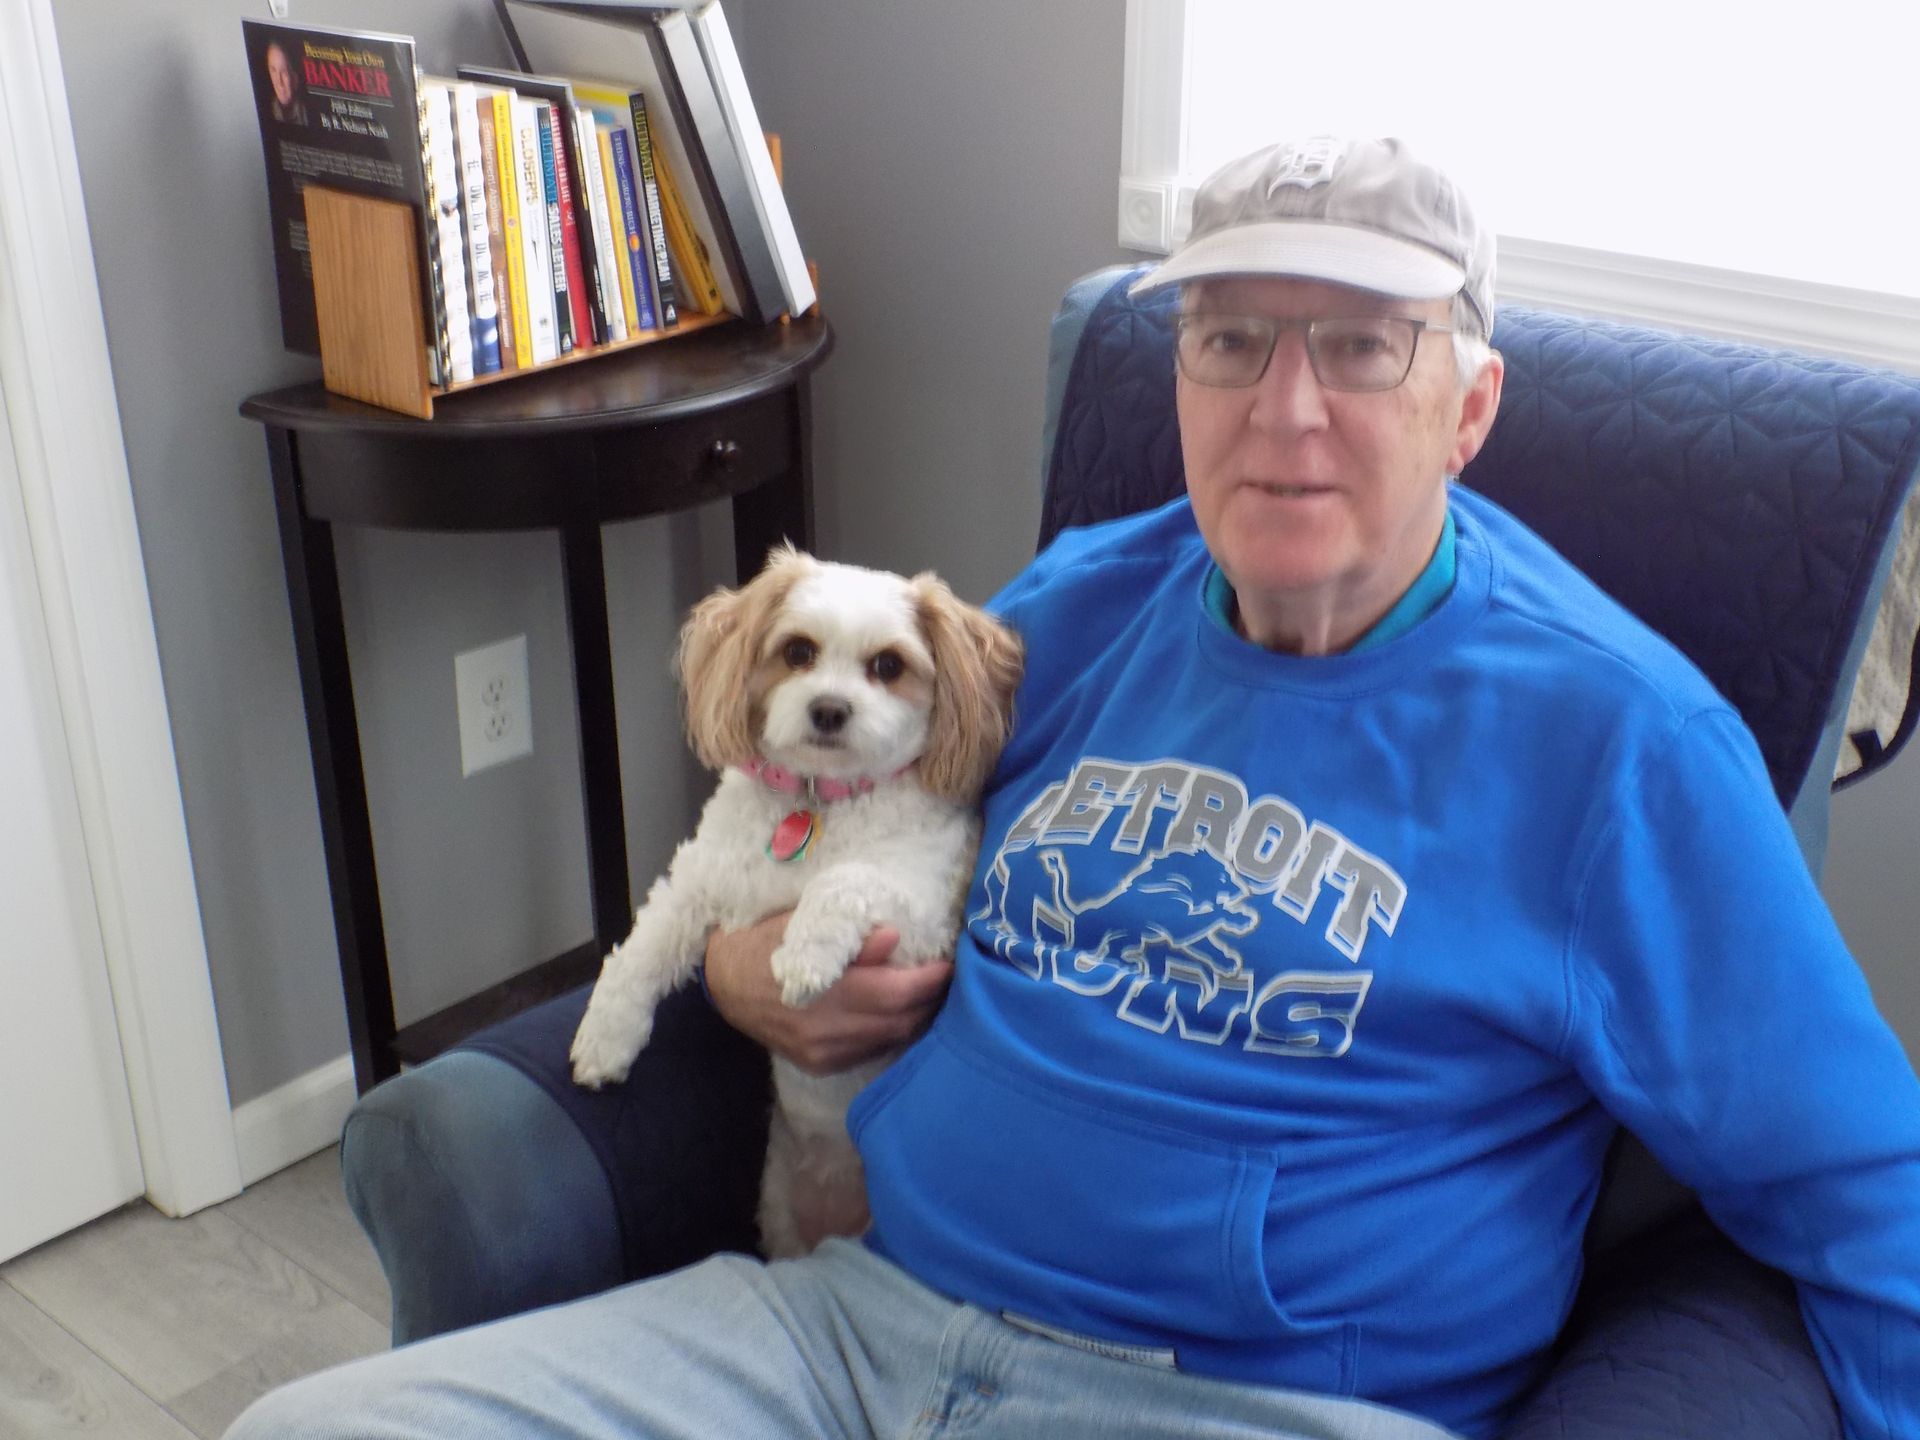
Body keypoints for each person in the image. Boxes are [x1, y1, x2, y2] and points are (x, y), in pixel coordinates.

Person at [227, 137, 1920, 1440]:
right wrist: (738, 973)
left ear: (1469, 405)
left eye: (1362, 348)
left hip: (1252, 1403)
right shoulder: (1072, 613)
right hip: (849, 1329)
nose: (1287, 411)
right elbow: (830, 812)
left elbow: (1864, 1184)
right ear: (1176, 376)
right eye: (1232, 340)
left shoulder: (1622, 746)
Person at [264, 41, 310, 127]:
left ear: (295, 78)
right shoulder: (263, 114)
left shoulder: (310, 115)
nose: (279, 82)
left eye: (284, 71)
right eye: (273, 70)